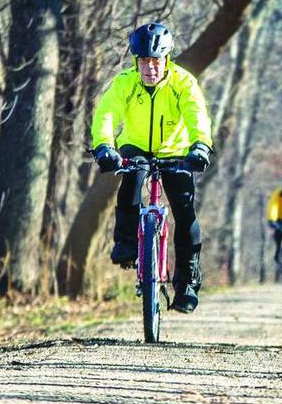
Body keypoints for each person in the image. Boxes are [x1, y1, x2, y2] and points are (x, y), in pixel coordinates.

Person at [91, 22, 213, 313]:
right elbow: (106, 114)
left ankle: (186, 283)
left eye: (156, 61)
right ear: (137, 61)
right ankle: (125, 245)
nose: (150, 68)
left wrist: (200, 146)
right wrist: (104, 146)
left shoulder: (183, 83)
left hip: (176, 150)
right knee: (130, 184)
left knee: (185, 212)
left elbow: (198, 116)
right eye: (144, 61)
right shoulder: (125, 83)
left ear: (166, 59)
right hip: (135, 147)